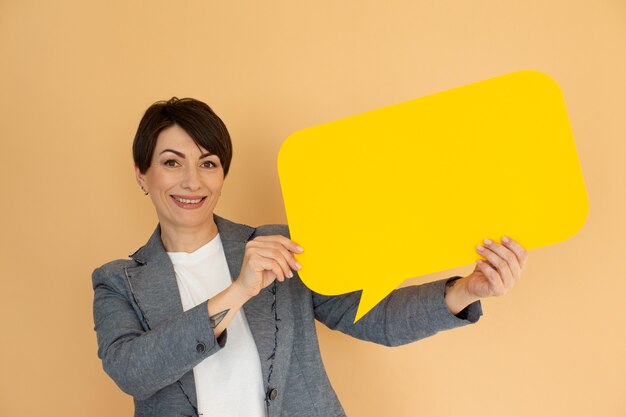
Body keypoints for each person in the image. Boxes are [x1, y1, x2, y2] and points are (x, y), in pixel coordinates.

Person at [92, 97, 528, 417]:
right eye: (172, 163)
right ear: (142, 175)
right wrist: (239, 291)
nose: (192, 181)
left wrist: (467, 290)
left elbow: (372, 316)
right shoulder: (117, 281)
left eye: (208, 164)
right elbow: (133, 372)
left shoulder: (279, 246)